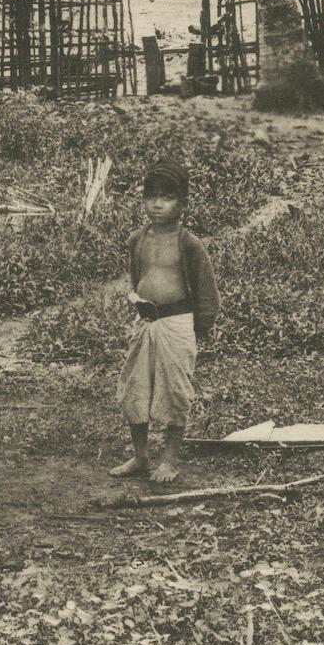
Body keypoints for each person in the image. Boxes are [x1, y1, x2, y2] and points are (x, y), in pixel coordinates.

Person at [111, 161, 220, 484]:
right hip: (146, 321)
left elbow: (207, 294)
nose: (157, 204)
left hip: (177, 323)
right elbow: (138, 277)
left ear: (182, 204)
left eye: (167, 197)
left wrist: (198, 330)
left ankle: (169, 460)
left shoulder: (189, 244)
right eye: (151, 197)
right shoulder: (137, 239)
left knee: (174, 391)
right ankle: (141, 456)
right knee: (135, 388)